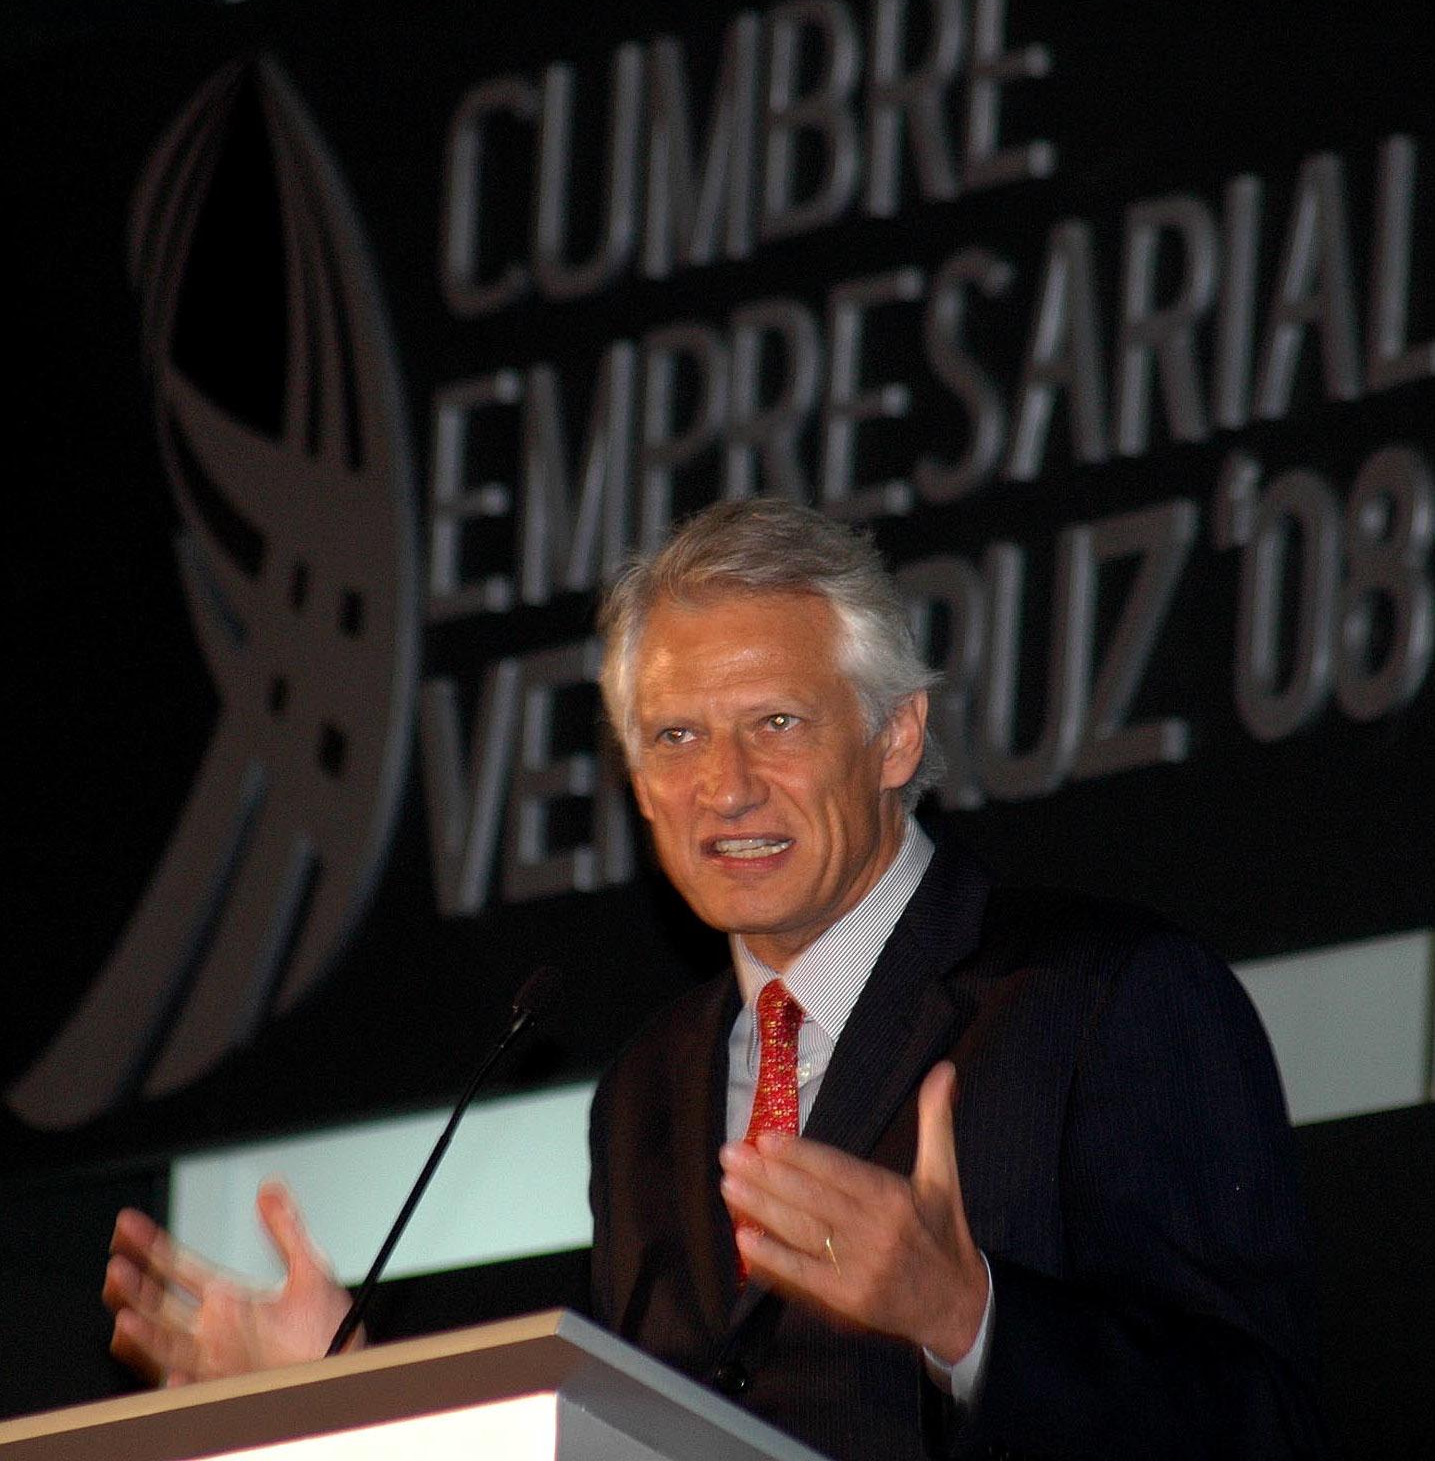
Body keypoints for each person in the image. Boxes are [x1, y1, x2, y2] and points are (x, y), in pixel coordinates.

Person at [105, 499, 1329, 1458]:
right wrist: (353, 1389)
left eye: (776, 725)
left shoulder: (1104, 996)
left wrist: (969, 1319)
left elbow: (1262, 1425)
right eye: (677, 737)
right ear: (636, 783)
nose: (725, 787)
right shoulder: (648, 1087)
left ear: (895, 736)